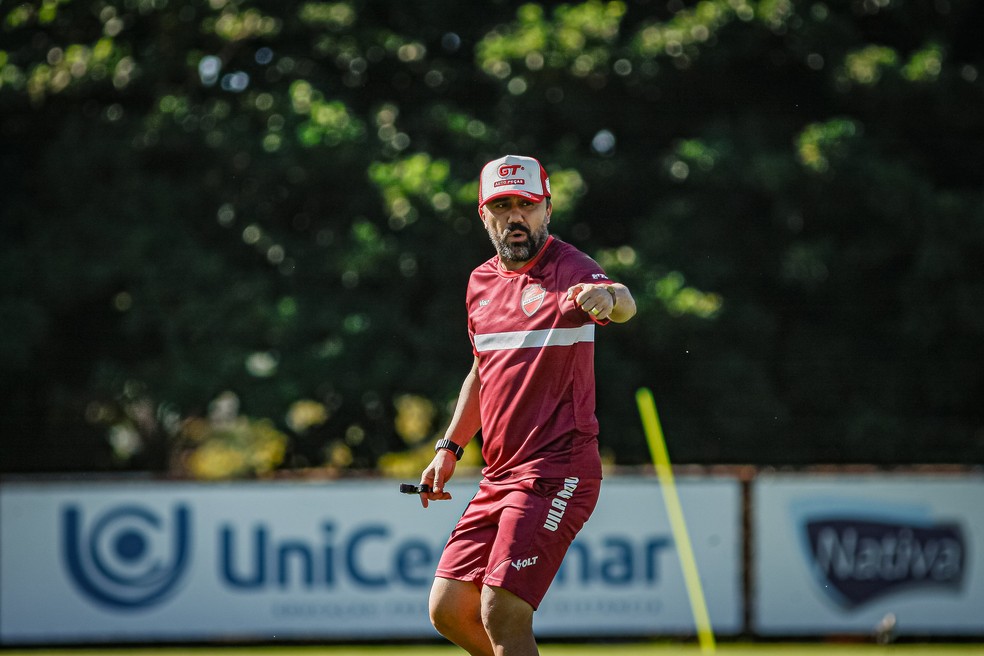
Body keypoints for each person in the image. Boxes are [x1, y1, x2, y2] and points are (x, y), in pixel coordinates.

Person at [418, 154, 637, 656]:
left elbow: (621, 298)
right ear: (483, 215)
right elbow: (482, 373)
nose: (516, 217)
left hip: (559, 470)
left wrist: (610, 301)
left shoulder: (572, 269)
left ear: (547, 210)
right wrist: (448, 449)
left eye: (526, 205)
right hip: (498, 476)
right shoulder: (479, 284)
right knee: (448, 608)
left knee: (502, 608)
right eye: (502, 205)